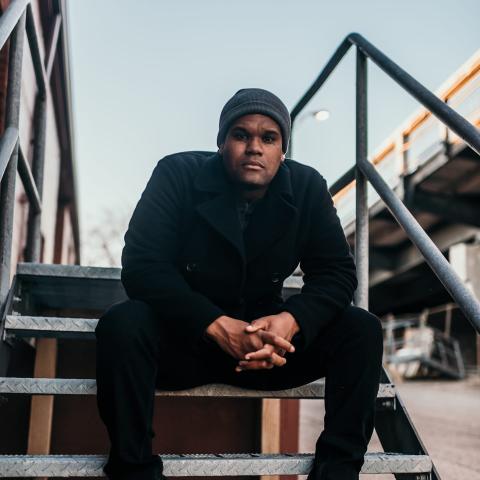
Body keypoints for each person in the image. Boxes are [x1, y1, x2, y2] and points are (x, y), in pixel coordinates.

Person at [95, 88, 384, 480]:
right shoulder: (177, 174)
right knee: (122, 323)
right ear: (220, 144)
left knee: (361, 329)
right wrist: (216, 325)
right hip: (187, 342)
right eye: (240, 135)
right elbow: (143, 266)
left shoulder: (307, 187)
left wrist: (289, 320)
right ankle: (134, 471)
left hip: (268, 350)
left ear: (283, 150)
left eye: (268, 138)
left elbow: (336, 273)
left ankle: (337, 472)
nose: (254, 147)